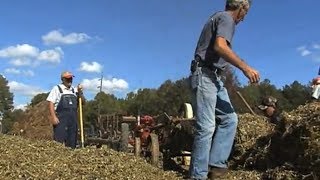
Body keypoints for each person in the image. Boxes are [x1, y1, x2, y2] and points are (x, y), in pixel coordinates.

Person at [189, 0, 260, 179]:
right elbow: (220, 46)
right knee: (206, 127)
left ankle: (216, 166)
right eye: (245, 14)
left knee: (230, 119)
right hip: (205, 74)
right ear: (241, 8)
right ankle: (198, 176)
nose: (243, 19)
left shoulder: (218, 18)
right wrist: (245, 67)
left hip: (214, 77)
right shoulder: (227, 18)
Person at [46, 71, 85, 149]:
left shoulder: (74, 90)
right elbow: (51, 103)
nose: (69, 80)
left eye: (71, 78)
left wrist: (80, 93)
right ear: (62, 79)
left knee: (72, 142)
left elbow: (83, 102)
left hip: (73, 120)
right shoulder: (57, 89)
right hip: (61, 120)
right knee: (59, 142)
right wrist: (53, 117)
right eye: (67, 79)